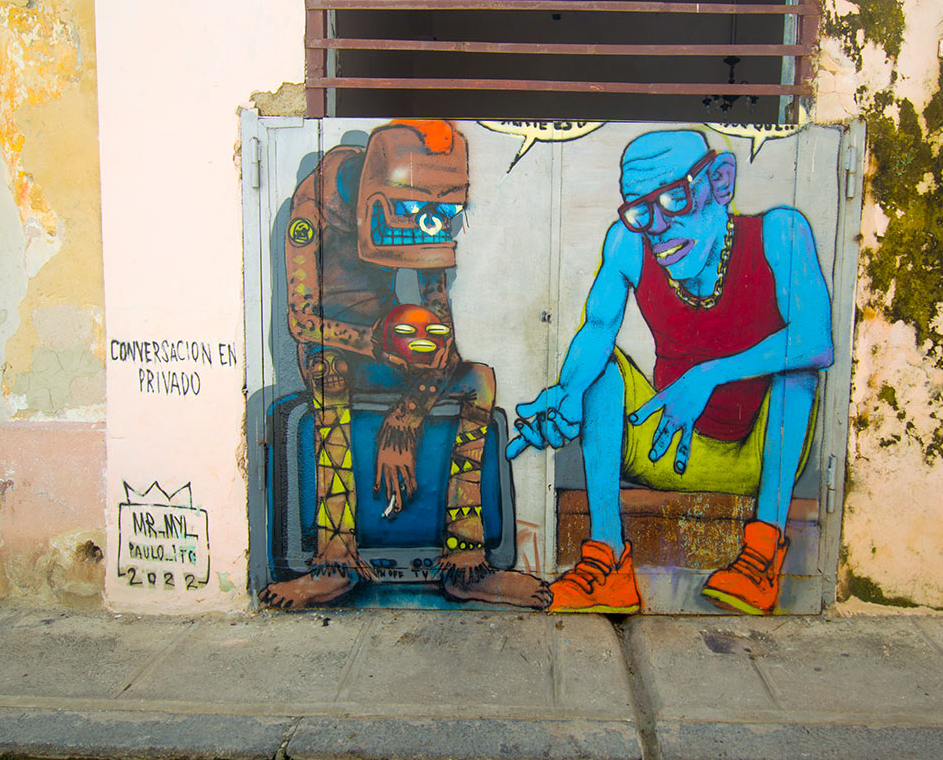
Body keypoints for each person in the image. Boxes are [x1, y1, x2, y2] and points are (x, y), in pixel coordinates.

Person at [508, 128, 833, 614]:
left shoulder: (779, 235)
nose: (656, 226)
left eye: (674, 199)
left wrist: (708, 375)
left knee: (799, 369)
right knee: (600, 372)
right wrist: (568, 394)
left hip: (754, 457)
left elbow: (816, 340)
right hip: (663, 444)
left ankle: (762, 554)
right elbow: (597, 329)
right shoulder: (627, 243)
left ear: (720, 183)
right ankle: (609, 564)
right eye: (641, 209)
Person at [260, 119, 549, 609]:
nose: (429, 221)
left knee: (478, 379)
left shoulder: (422, 206)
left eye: (441, 212)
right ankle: (335, 560)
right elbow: (304, 322)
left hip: (389, 339)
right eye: (416, 210)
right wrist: (373, 345)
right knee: (329, 375)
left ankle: (467, 562)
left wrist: (408, 416)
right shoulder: (313, 207)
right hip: (337, 346)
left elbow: (443, 333)